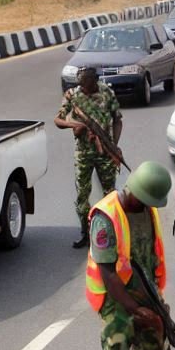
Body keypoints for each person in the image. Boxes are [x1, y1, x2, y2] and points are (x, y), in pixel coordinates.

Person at [85, 160, 175, 350]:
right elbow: (109, 274)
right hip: (116, 303)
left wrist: (156, 309)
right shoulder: (105, 216)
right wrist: (135, 311)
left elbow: (149, 257)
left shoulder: (147, 209)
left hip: (147, 295)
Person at [54, 67, 123, 249]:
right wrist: (74, 124)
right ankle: (85, 232)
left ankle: (111, 232)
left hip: (105, 153)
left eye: (86, 85)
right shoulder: (72, 95)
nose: (82, 88)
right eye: (81, 85)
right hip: (84, 153)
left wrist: (114, 145)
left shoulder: (107, 92)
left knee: (110, 194)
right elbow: (58, 120)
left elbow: (118, 120)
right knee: (82, 195)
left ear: (94, 82)